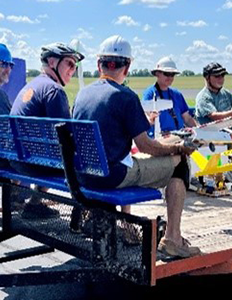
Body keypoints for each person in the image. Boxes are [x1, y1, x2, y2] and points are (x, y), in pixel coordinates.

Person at [73, 35, 200, 258]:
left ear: (98, 64)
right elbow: (145, 147)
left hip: (83, 174)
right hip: (112, 175)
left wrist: (169, 145)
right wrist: (178, 149)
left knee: (170, 149)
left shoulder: (83, 93)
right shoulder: (126, 96)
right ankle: (173, 239)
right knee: (180, 164)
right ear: (128, 67)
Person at [10, 42, 85, 219]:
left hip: (18, 159)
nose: (72, 70)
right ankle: (84, 216)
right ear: (52, 62)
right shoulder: (54, 90)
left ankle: (35, 204)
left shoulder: (32, 85)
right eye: (69, 63)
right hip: (35, 163)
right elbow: (67, 136)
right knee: (89, 165)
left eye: (75, 66)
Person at [142, 56, 198, 138]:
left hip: (179, 137)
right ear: (157, 74)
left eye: (173, 75)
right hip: (159, 139)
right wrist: (151, 119)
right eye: (167, 74)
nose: (170, 78)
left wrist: (198, 132)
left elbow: (187, 118)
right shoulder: (150, 94)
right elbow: (146, 117)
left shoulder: (177, 94)